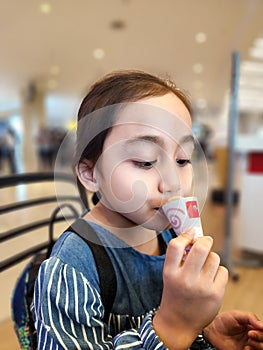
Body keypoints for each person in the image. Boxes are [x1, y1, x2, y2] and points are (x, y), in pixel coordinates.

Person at [32, 70, 263, 349]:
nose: (173, 182)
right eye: (145, 161)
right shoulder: (72, 269)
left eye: (182, 159)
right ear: (91, 173)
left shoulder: (170, 238)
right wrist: (173, 326)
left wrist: (205, 335)